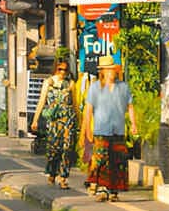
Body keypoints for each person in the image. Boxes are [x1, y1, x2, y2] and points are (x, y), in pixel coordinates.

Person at [82, 55, 137, 202]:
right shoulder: (95, 88)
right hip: (101, 130)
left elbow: (130, 107)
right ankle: (102, 189)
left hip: (118, 130)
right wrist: (87, 128)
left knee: (118, 161)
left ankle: (114, 191)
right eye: (108, 70)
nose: (111, 73)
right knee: (101, 161)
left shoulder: (123, 87)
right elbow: (88, 109)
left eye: (113, 70)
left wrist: (133, 124)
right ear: (103, 72)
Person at [30, 60, 77, 189]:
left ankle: (63, 177)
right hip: (54, 121)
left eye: (65, 70)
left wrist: (80, 121)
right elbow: (41, 102)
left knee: (67, 149)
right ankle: (52, 172)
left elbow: (75, 104)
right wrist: (35, 120)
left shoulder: (70, 84)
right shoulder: (49, 83)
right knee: (53, 149)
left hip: (68, 119)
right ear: (55, 69)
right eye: (60, 69)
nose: (62, 72)